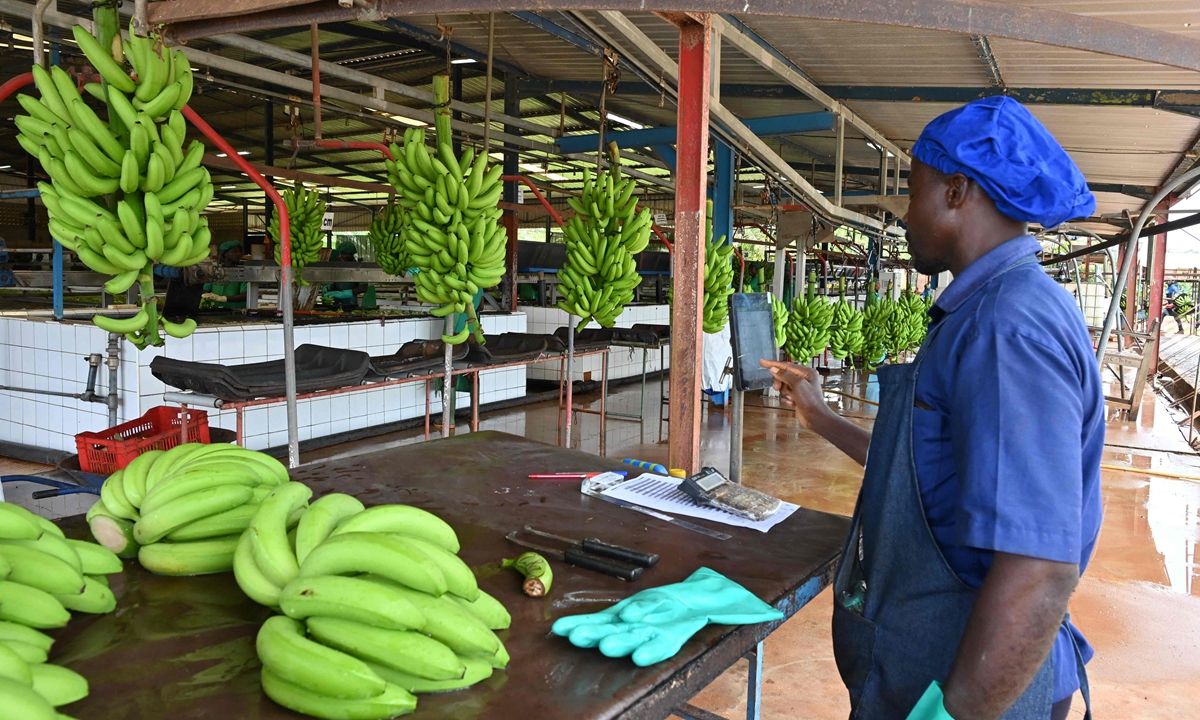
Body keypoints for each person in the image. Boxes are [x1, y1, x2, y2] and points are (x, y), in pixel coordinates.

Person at [763, 97, 1102, 720]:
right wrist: (821, 416)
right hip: (926, 668)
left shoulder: (1007, 327)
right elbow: (931, 474)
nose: (904, 217)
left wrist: (956, 714)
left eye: (913, 193)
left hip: (967, 686)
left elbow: (1039, 567)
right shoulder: (981, 311)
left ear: (956, 190)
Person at [323, 241, 370, 310]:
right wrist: (329, 287)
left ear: (352, 255)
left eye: (346, 254)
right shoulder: (339, 267)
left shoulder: (358, 268)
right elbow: (338, 283)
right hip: (336, 303)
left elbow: (363, 287)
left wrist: (344, 294)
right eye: (341, 254)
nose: (343, 256)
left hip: (351, 304)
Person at [202, 241, 248, 309]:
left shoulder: (243, 272)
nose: (238, 254)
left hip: (236, 311)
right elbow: (206, 289)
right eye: (233, 251)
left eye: (239, 252)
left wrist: (223, 298)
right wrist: (206, 296)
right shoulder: (215, 271)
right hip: (216, 309)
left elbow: (244, 296)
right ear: (225, 254)